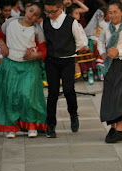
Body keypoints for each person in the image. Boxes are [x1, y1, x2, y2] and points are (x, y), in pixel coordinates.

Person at [0, 1, 47, 138]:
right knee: (11, 96)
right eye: (31, 11)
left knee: (28, 95)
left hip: (29, 66)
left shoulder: (37, 30)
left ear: (38, 17)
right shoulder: (10, 23)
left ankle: (31, 125)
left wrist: (35, 55)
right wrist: (3, 45)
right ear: (26, 9)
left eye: (36, 14)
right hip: (11, 64)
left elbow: (44, 51)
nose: (31, 15)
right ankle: (11, 127)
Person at [43, 0, 84, 138]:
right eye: (47, 11)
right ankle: (51, 124)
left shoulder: (71, 21)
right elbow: (44, 41)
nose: (50, 14)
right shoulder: (45, 22)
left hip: (68, 60)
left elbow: (79, 41)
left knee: (68, 90)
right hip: (51, 61)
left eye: (53, 11)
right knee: (53, 92)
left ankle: (73, 114)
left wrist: (70, 52)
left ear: (61, 8)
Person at [97, 0, 122, 143]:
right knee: (109, 95)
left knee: (119, 96)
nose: (112, 15)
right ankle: (112, 127)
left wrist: (118, 52)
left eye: (115, 12)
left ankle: (120, 129)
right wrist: (103, 54)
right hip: (110, 65)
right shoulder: (107, 27)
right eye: (110, 12)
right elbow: (100, 41)